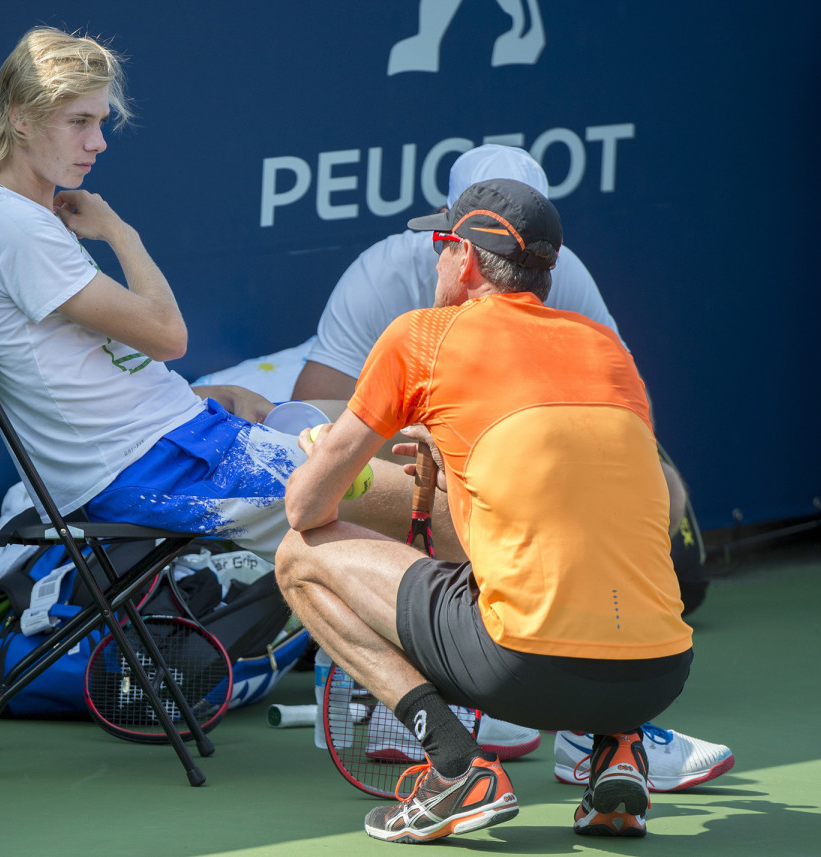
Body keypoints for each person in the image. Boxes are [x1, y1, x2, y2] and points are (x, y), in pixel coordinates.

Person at [0, 28, 470, 587]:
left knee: (409, 428)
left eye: (100, 122)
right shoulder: (12, 228)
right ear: (20, 118)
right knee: (435, 508)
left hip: (179, 442)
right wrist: (118, 232)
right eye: (79, 122)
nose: (98, 142)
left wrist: (192, 398)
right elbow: (168, 336)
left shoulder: (25, 221)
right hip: (153, 467)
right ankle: (509, 651)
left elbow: (80, 371)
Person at [290, 144, 727, 790]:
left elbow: (304, 506)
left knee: (299, 555)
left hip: (515, 670)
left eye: (441, 241)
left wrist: (342, 467)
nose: (433, 254)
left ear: (462, 255)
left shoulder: (419, 336)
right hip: (660, 674)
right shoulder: (608, 349)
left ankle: (456, 765)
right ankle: (614, 747)